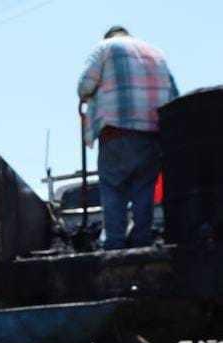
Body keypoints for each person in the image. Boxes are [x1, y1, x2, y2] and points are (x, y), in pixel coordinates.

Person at [77, 25, 178, 250]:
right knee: (144, 192)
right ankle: (142, 243)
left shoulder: (105, 47)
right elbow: (174, 95)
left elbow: (85, 87)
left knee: (113, 189)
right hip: (152, 135)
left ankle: (115, 246)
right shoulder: (157, 54)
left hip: (116, 132)